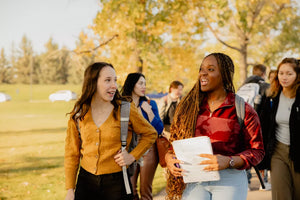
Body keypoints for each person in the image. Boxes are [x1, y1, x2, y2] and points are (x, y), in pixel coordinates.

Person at [164, 52, 264, 200]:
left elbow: (257, 151)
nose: (203, 73)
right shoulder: (188, 107)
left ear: (224, 75)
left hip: (230, 179)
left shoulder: (243, 109)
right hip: (194, 179)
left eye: (210, 69)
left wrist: (229, 161)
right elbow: (174, 144)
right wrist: (168, 158)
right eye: (201, 69)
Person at [64, 62, 157, 200]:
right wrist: (70, 189)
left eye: (115, 80)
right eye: (108, 80)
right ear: (93, 82)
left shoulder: (125, 108)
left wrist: (132, 156)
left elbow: (150, 133)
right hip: (85, 182)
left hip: (117, 184)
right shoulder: (79, 113)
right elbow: (72, 153)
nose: (114, 85)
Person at [260, 57, 300, 200]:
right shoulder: (272, 97)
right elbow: (263, 127)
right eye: (281, 73)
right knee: (281, 195)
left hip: (298, 152)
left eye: (289, 74)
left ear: (297, 76)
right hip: (278, 152)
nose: (284, 77)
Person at [120, 73, 164, 200]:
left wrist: (149, 111)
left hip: (148, 150)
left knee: (146, 191)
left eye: (145, 83)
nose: (144, 86)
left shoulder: (151, 104)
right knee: (131, 191)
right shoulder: (122, 105)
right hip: (129, 150)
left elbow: (159, 129)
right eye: (140, 83)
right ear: (132, 84)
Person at [240, 64, 271, 190]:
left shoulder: (242, 86)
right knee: (260, 152)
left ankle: (246, 183)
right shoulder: (265, 86)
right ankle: (263, 183)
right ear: (263, 73)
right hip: (260, 124)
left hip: (242, 124)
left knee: (246, 152)